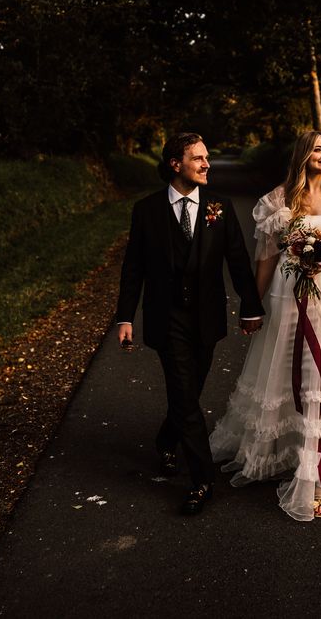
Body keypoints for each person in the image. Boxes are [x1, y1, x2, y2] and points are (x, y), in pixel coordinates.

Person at [210, 130, 321, 521]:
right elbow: (267, 259)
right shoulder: (279, 200)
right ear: (304, 155)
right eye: (318, 149)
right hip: (287, 295)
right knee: (289, 375)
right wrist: (252, 305)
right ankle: (285, 452)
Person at [115, 132, 264, 515]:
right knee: (183, 391)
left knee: (189, 391)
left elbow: (237, 261)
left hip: (206, 317)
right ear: (175, 164)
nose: (206, 164)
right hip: (166, 318)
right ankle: (201, 480)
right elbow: (134, 266)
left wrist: (251, 306)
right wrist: (125, 316)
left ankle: (167, 440)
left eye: (207, 157)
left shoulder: (219, 207)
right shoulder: (147, 210)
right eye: (198, 158)